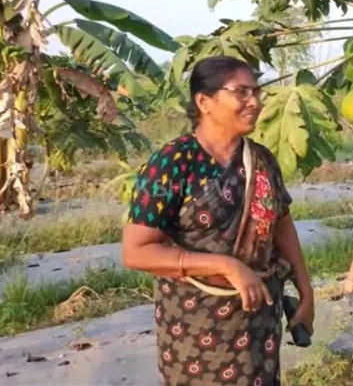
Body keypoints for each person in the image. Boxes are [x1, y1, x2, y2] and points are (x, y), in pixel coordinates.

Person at [121, 55, 314, 386]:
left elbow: (282, 226)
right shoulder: (173, 163)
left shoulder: (262, 161)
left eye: (256, 92)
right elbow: (136, 251)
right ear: (204, 101)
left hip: (258, 328)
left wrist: (306, 291)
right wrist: (226, 266)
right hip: (196, 330)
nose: (254, 102)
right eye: (241, 92)